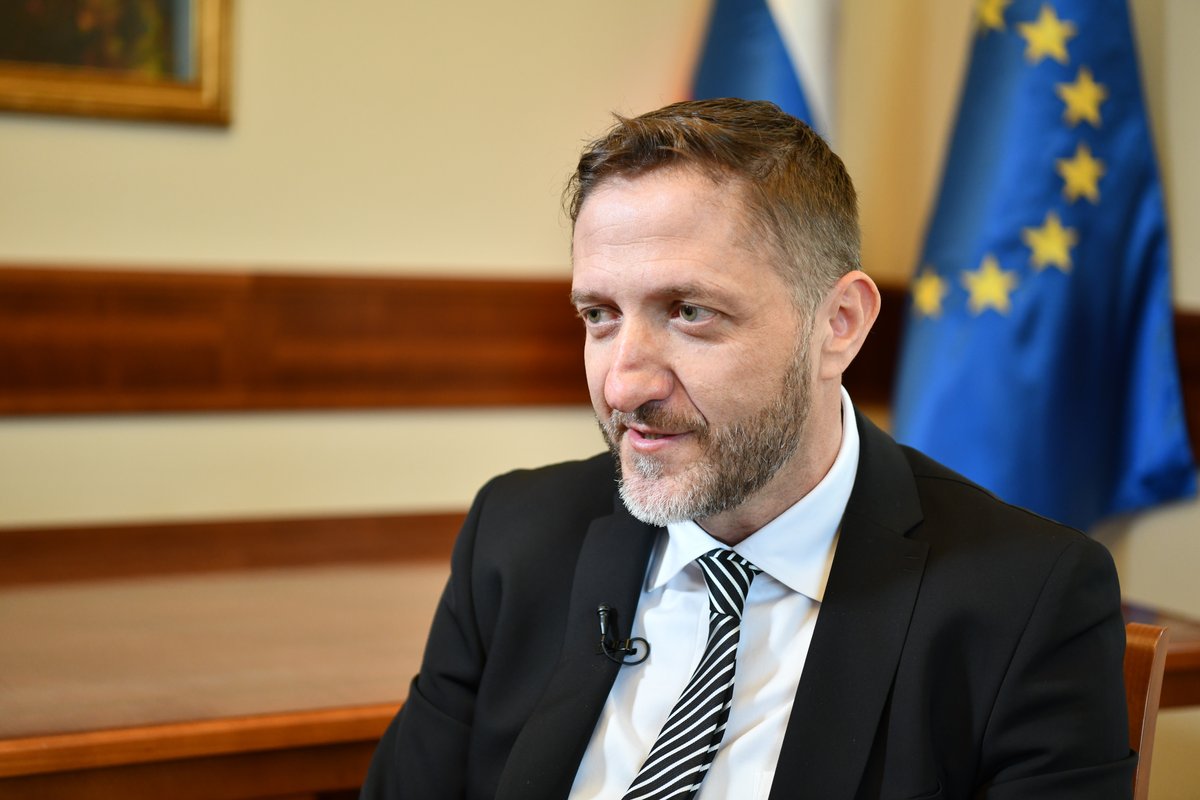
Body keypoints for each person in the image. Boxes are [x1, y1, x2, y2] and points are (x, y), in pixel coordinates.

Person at [360, 98, 1134, 800]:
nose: (623, 385)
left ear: (839, 324)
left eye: (689, 311)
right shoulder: (516, 535)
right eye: (599, 314)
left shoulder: (1024, 600)